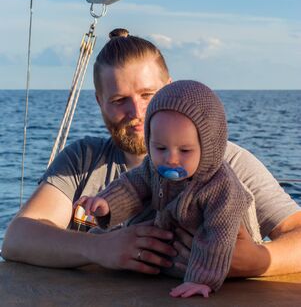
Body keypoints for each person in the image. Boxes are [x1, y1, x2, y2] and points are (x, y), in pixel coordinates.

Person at [2, 29, 301, 279]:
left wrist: (258, 260)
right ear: (99, 101)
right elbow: (17, 239)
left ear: (171, 89)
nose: (137, 113)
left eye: (148, 95)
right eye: (119, 100)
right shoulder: (82, 160)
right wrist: (99, 247)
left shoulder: (228, 162)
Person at [76, 80, 262, 298]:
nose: (171, 159)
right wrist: (106, 202)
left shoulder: (221, 187)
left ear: (208, 147)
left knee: (212, 242)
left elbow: (218, 235)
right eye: (160, 147)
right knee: (113, 232)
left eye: (185, 150)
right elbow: (131, 186)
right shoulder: (153, 168)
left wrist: (202, 280)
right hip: (167, 247)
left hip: (210, 262)